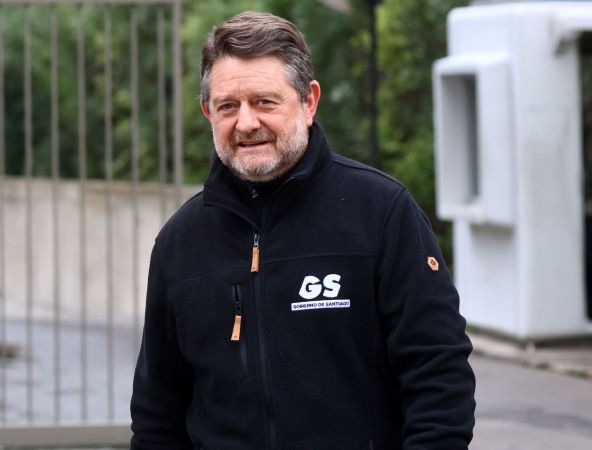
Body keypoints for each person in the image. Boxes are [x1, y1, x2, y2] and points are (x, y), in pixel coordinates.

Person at [130, 11, 475, 450]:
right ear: (207, 112)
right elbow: (157, 413)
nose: (246, 123)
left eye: (264, 102)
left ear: (309, 102)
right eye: (228, 106)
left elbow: (439, 379)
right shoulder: (180, 243)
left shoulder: (382, 213)